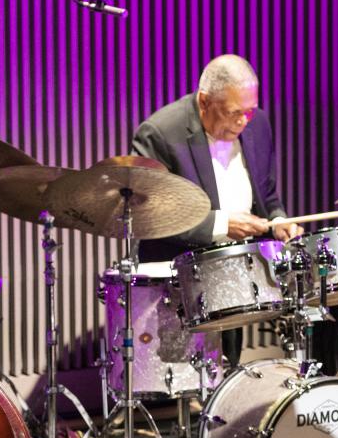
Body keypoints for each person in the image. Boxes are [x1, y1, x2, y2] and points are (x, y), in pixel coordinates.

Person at [130, 54, 304, 366]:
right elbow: (150, 215)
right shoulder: (159, 133)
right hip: (181, 278)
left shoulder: (257, 123)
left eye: (248, 111)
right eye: (233, 113)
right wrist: (221, 225)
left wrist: (278, 220)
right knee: (193, 381)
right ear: (205, 101)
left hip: (236, 270)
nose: (243, 122)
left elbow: (266, 192)